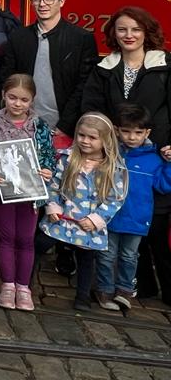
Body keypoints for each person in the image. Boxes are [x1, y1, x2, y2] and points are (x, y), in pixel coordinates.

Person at [81, 6, 171, 302]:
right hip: (116, 157)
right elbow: (92, 108)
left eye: (135, 29)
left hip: (157, 157)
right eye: (122, 29)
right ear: (114, 34)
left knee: (156, 225)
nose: (128, 35)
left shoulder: (164, 65)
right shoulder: (105, 68)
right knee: (122, 218)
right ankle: (139, 285)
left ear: (146, 32)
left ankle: (166, 287)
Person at [0, 74, 56, 311]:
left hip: (31, 193)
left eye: (24, 100)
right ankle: (8, 285)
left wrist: (47, 169)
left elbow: (48, 154)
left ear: (32, 100)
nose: (17, 104)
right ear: (3, 95)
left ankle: (24, 287)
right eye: (12, 98)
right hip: (3, 191)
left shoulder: (39, 126)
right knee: (6, 237)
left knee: (26, 239)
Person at [38, 112, 127, 310]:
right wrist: (53, 207)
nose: (85, 141)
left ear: (105, 140)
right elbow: (53, 186)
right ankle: (25, 284)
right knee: (40, 244)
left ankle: (83, 296)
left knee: (86, 259)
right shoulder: (67, 159)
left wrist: (96, 219)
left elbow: (115, 198)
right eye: (81, 135)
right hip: (62, 219)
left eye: (92, 137)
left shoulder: (113, 168)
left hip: (88, 225)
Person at [0, 0, 98, 137]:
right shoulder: (18, 37)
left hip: (65, 127)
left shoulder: (81, 39)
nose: (42, 4)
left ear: (62, 1)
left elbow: (84, 86)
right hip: (22, 124)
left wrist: (65, 126)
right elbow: (8, 79)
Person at [95, 104, 171, 311]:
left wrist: (169, 165)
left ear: (147, 133)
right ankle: (104, 289)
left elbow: (163, 185)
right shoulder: (110, 153)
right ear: (117, 130)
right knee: (106, 255)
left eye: (138, 132)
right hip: (109, 216)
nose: (131, 137)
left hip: (137, 218)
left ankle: (124, 291)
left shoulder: (153, 159)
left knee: (129, 256)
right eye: (126, 131)